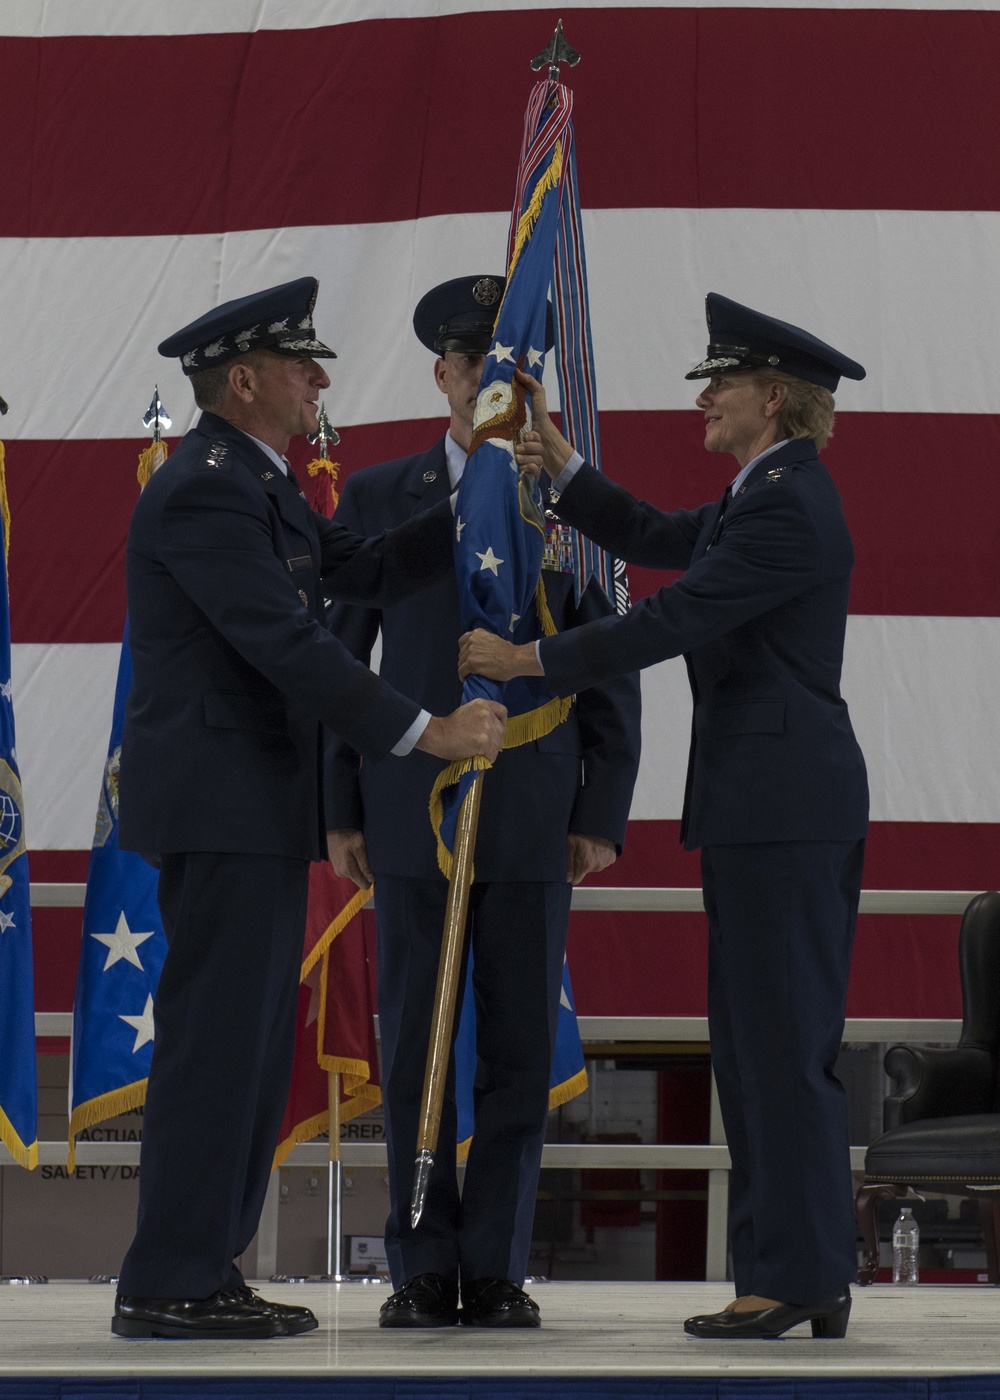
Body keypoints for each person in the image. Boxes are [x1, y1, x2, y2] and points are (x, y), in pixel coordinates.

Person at [460, 293, 869, 1340]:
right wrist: (560, 463)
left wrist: (529, 660)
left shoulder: (785, 502)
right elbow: (654, 535)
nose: (706, 398)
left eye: (720, 384)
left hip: (782, 806)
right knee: (755, 1043)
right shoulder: (762, 492)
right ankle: (797, 1271)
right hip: (764, 804)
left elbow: (676, 612)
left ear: (773, 398)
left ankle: (795, 1274)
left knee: (777, 1043)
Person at [112, 277, 506, 1340]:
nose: (319, 379)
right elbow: (286, 644)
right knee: (214, 1043)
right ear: (242, 381)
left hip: (249, 803)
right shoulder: (204, 486)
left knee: (243, 1045)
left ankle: (201, 1267)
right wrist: (425, 731)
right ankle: (170, 1275)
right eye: (300, 365)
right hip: (220, 799)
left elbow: (367, 565)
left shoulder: (258, 480)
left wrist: (481, 474)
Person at [325, 275, 642, 1329]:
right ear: (445, 376)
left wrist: (601, 806)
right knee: (416, 1043)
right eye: (480, 369)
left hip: (531, 807)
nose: (499, 387)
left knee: (515, 1048)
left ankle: (498, 1261)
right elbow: (339, 661)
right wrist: (339, 809)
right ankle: (420, 1259)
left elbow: (612, 660)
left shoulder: (567, 497)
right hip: (410, 806)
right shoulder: (379, 495)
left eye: (517, 371)